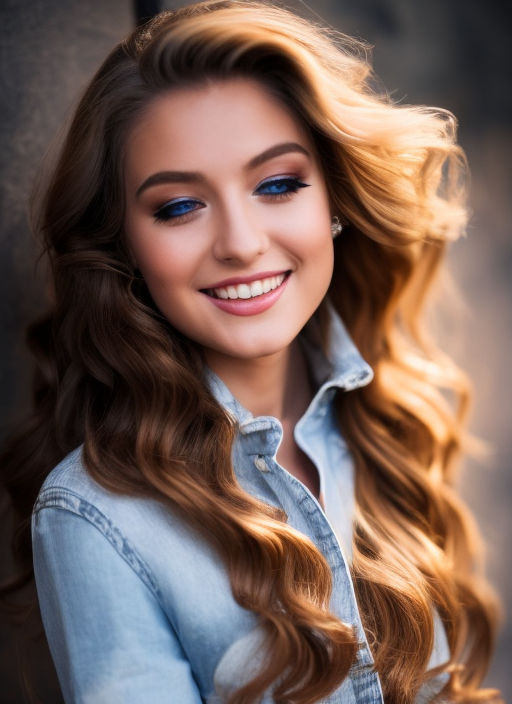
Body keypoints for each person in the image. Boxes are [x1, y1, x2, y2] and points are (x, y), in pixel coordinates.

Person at [0, 1, 502, 702]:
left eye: (277, 184)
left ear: (333, 198)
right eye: (178, 206)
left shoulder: (391, 421)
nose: (239, 242)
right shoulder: (94, 516)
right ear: (124, 245)